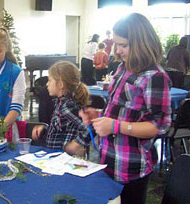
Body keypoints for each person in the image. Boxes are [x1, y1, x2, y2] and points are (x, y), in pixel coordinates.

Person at [79, 13, 171, 204]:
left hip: (132, 166)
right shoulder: (122, 68)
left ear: (141, 43)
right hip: (108, 159)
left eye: (124, 45)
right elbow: (119, 110)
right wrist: (98, 115)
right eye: (116, 44)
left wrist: (115, 126)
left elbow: (156, 127)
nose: (118, 51)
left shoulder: (155, 77)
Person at [32, 61, 90, 156]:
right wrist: (45, 129)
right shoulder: (60, 102)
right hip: (55, 155)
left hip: (64, 158)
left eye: (50, 80)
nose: (47, 84)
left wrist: (76, 144)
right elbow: (61, 127)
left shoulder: (67, 106)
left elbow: (88, 127)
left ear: (61, 84)